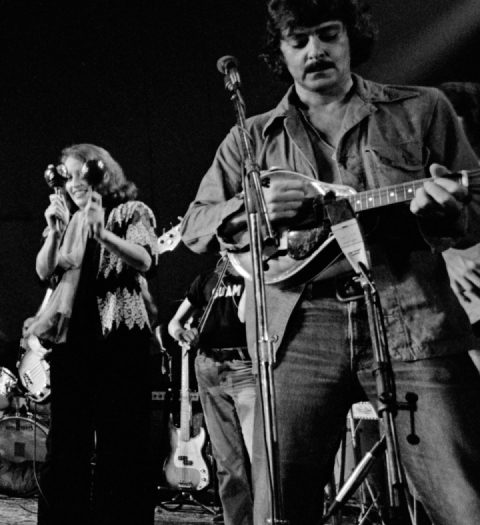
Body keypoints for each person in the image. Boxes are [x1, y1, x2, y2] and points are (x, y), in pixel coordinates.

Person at [180, 1, 480, 523]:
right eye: (298, 40)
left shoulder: (422, 109)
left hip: (409, 312)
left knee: (465, 501)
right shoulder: (250, 138)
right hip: (298, 327)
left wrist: (449, 210)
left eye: (327, 35)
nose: (314, 50)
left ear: (350, 37)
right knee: (278, 508)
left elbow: (474, 215)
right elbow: (194, 226)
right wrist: (246, 208)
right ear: (281, 51)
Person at [34, 143, 158, 524]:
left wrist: (102, 233)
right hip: (74, 342)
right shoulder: (69, 222)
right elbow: (44, 271)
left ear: (102, 174)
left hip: (121, 340)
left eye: (81, 175)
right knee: (65, 446)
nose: (73, 184)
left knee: (121, 445)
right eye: (66, 176)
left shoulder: (131, 212)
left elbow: (145, 258)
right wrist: (54, 232)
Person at [167, 258, 254, 525]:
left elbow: (246, 316)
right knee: (227, 460)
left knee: (256, 454)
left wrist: (249, 269)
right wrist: (182, 333)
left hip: (245, 366)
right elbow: (174, 323)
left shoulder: (252, 273)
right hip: (208, 366)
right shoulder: (206, 280)